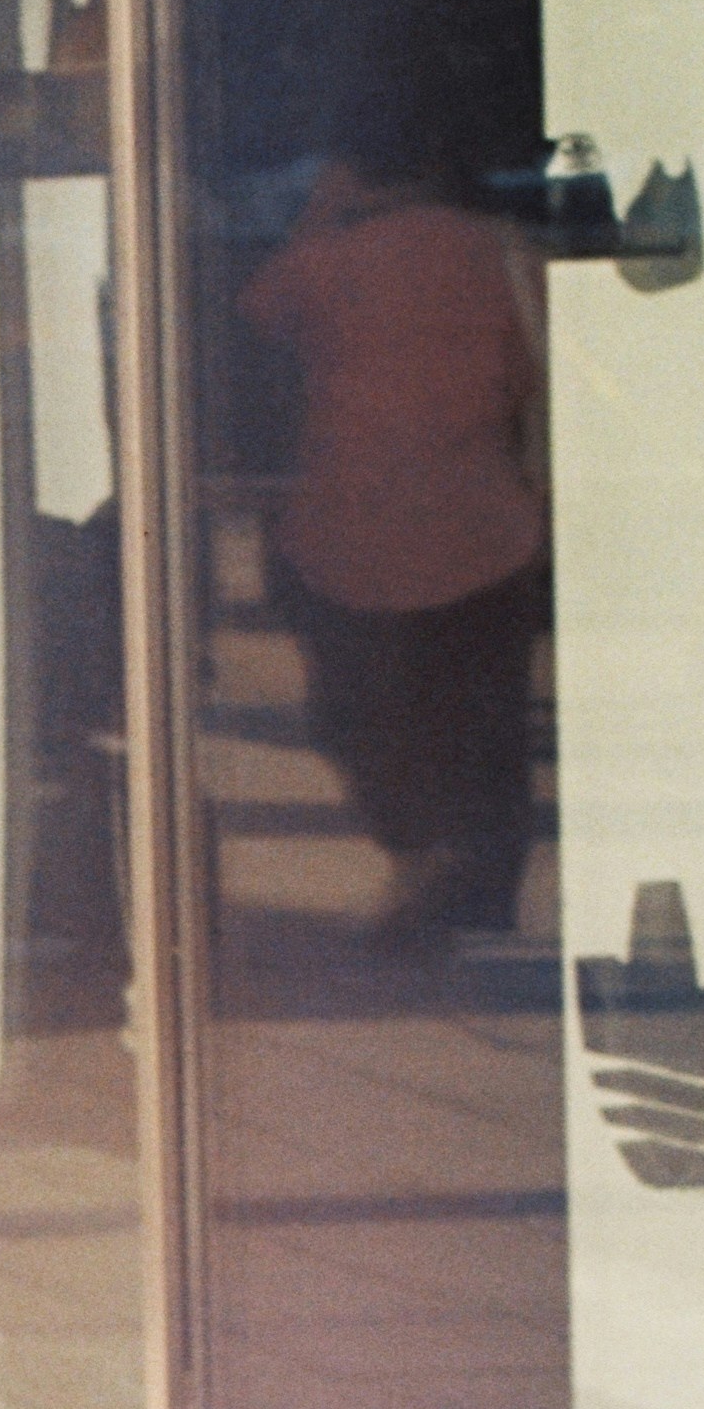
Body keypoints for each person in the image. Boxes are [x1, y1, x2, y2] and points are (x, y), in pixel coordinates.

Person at [241, 105, 551, 950]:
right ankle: (479, 892)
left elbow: (257, 317)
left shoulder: (323, 262)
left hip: (349, 537)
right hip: (482, 527)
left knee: (357, 707)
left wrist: (319, 211)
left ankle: (415, 854)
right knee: (488, 720)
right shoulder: (500, 251)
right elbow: (530, 372)